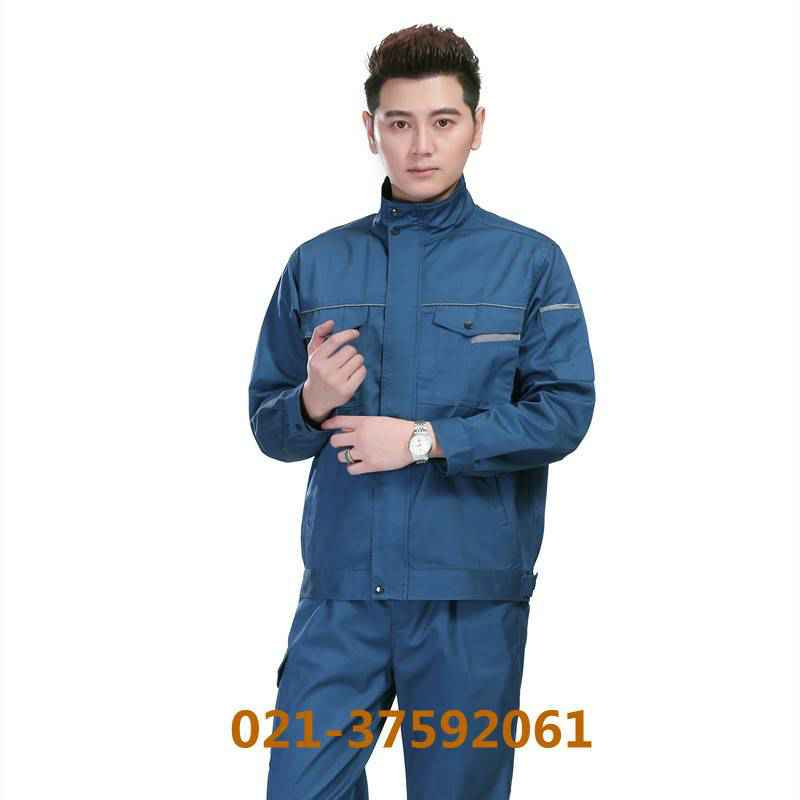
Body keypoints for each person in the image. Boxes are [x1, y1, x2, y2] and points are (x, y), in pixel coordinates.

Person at [248, 23, 596, 800]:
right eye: (399, 123)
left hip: (467, 599)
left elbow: (564, 412)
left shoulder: (528, 261)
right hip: (342, 596)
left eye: (443, 121)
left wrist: (423, 441)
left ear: (478, 125)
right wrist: (310, 402)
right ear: (370, 128)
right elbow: (268, 424)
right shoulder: (318, 263)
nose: (421, 146)